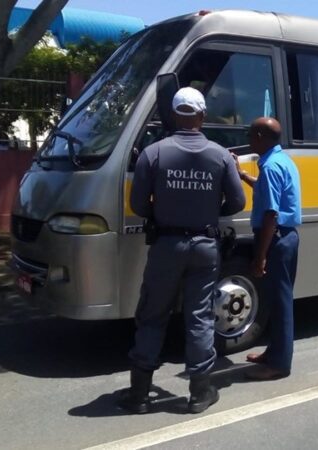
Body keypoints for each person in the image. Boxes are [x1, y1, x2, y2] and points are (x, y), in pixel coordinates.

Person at [118, 87, 246, 414]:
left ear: (174, 114)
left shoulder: (153, 153)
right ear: (202, 116)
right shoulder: (219, 155)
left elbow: (138, 206)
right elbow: (237, 202)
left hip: (165, 245)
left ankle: (140, 394)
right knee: (199, 316)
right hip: (205, 245)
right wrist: (207, 208)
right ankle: (199, 393)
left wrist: (165, 209)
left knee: (152, 315)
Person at [235, 117, 302, 380]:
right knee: (275, 299)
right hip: (285, 236)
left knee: (281, 302)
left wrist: (260, 256)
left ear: (261, 136)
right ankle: (273, 352)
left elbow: (271, 214)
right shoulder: (280, 161)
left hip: (276, 238)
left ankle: (279, 364)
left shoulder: (272, 166)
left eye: (251, 134)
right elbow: (265, 192)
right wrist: (242, 175)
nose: (248, 139)